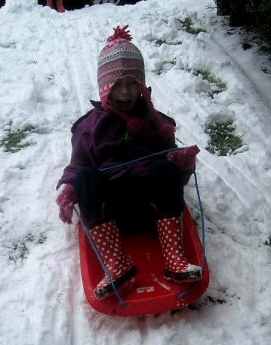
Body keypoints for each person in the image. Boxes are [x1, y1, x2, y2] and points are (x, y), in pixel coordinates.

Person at [56, 25, 202, 300]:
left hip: (154, 211)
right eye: (117, 85)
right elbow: (76, 166)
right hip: (110, 214)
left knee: (163, 167)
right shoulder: (88, 129)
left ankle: (174, 259)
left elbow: (174, 180)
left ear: (141, 86)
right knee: (85, 177)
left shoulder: (159, 124)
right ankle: (116, 263)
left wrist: (181, 165)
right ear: (105, 87)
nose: (125, 93)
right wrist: (68, 190)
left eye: (131, 84)